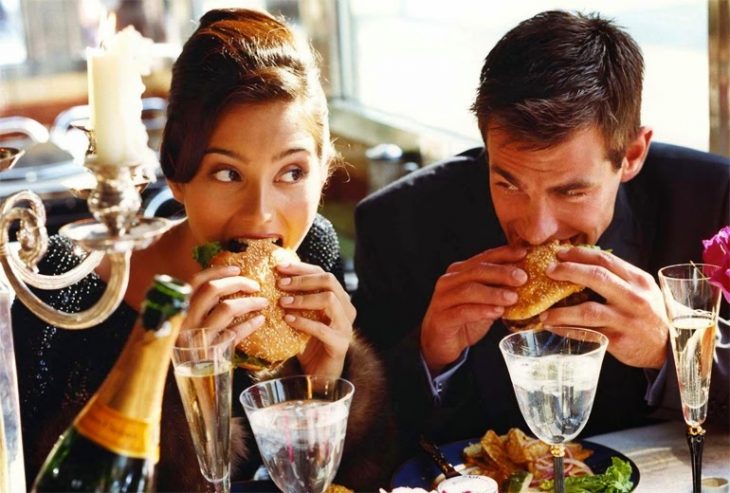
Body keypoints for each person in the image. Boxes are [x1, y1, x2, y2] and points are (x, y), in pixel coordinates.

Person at [13, 8, 392, 491]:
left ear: (323, 171)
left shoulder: (313, 246)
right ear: (177, 174)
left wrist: (326, 389)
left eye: (292, 173)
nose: (261, 216)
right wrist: (173, 374)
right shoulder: (66, 283)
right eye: (227, 173)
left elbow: (352, 477)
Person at [353, 9, 730, 458]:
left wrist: (675, 352)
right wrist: (431, 355)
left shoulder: (712, 203)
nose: (535, 231)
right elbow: (365, 446)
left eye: (571, 191)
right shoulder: (400, 224)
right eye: (507, 183)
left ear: (631, 154)